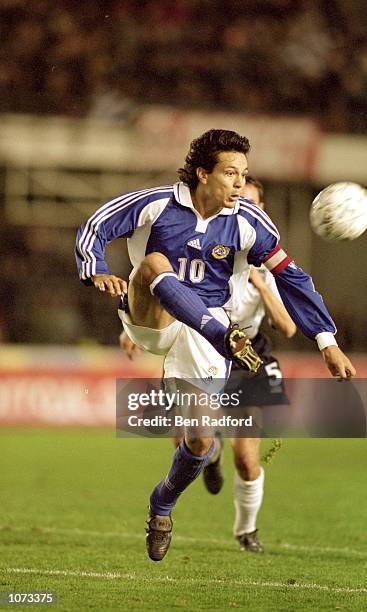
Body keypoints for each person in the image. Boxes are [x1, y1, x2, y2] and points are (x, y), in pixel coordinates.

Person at [76, 129, 355, 562]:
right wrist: (94, 268)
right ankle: (220, 335)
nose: (240, 183)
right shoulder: (155, 204)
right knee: (154, 263)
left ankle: (161, 505)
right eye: (230, 173)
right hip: (157, 318)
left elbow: (293, 277)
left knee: (201, 442)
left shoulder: (249, 221)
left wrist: (326, 340)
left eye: (244, 174)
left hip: (204, 333)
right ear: (202, 174)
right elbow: (97, 225)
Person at [120, 176, 297, 554]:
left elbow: (288, 326)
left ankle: (246, 531)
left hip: (250, 358)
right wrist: (140, 325)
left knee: (247, 460)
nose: (240, 206)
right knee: (190, 438)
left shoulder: (267, 264)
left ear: (260, 210)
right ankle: (204, 456)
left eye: (250, 201)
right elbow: (169, 283)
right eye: (237, 198)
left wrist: (261, 285)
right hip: (202, 341)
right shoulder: (208, 244)